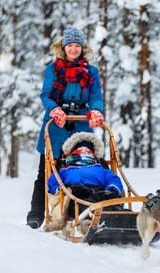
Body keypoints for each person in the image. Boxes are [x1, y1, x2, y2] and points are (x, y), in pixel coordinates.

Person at [26, 26, 104, 229]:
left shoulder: (91, 72)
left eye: (77, 45)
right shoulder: (54, 69)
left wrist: (96, 111)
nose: (73, 49)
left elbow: (96, 96)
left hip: (80, 124)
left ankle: (85, 211)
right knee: (46, 172)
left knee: (84, 169)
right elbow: (46, 95)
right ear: (63, 47)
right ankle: (36, 216)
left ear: (82, 48)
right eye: (70, 45)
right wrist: (54, 109)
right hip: (55, 127)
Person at [45, 132, 123, 231]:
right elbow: (53, 182)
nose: (83, 151)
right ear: (72, 152)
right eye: (80, 150)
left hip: (99, 193)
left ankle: (124, 217)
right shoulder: (65, 170)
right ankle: (90, 222)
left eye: (87, 150)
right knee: (84, 205)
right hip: (76, 195)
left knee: (109, 202)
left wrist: (112, 189)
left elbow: (113, 179)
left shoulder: (100, 168)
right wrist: (61, 189)